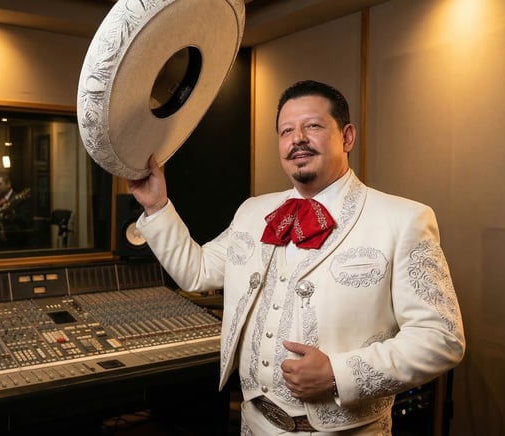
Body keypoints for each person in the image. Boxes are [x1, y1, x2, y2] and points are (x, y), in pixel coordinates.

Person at [127, 80, 465, 434]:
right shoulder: (252, 212)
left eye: (313, 126)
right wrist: (156, 207)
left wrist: (339, 374)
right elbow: (196, 272)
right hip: (254, 424)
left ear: (347, 137)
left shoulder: (404, 219)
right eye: (286, 130)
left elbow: (441, 338)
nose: (297, 138)